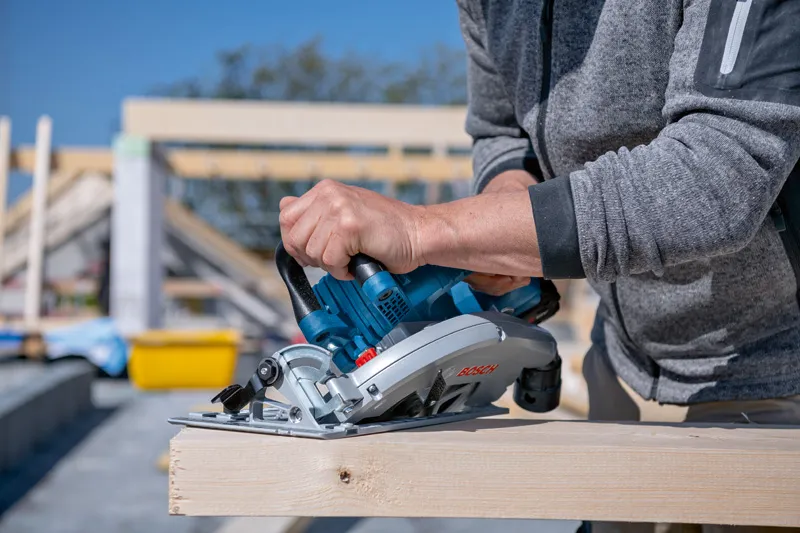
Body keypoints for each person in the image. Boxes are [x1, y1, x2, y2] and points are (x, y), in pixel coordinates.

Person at [279, 2, 800, 531]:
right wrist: (495, 230)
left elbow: (712, 181)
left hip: (774, 368)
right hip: (621, 363)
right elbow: (502, 134)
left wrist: (425, 232)